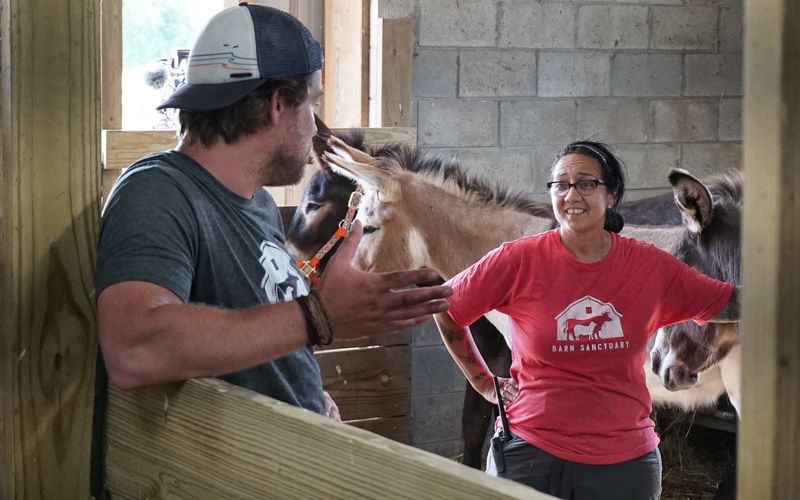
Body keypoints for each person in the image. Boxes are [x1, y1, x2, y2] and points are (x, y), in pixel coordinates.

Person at [95, 3, 451, 417]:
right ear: (277, 104)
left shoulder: (258, 203)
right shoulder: (157, 193)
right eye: (311, 105)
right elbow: (133, 349)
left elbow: (257, 333)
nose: (315, 127)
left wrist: (305, 394)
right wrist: (319, 315)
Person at [433, 140, 739, 500]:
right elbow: (445, 307)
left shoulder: (648, 266)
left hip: (624, 464)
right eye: (561, 185)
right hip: (529, 455)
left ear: (611, 196)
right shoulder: (518, 260)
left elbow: (729, 304)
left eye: (587, 183)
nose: (572, 194)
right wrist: (484, 382)